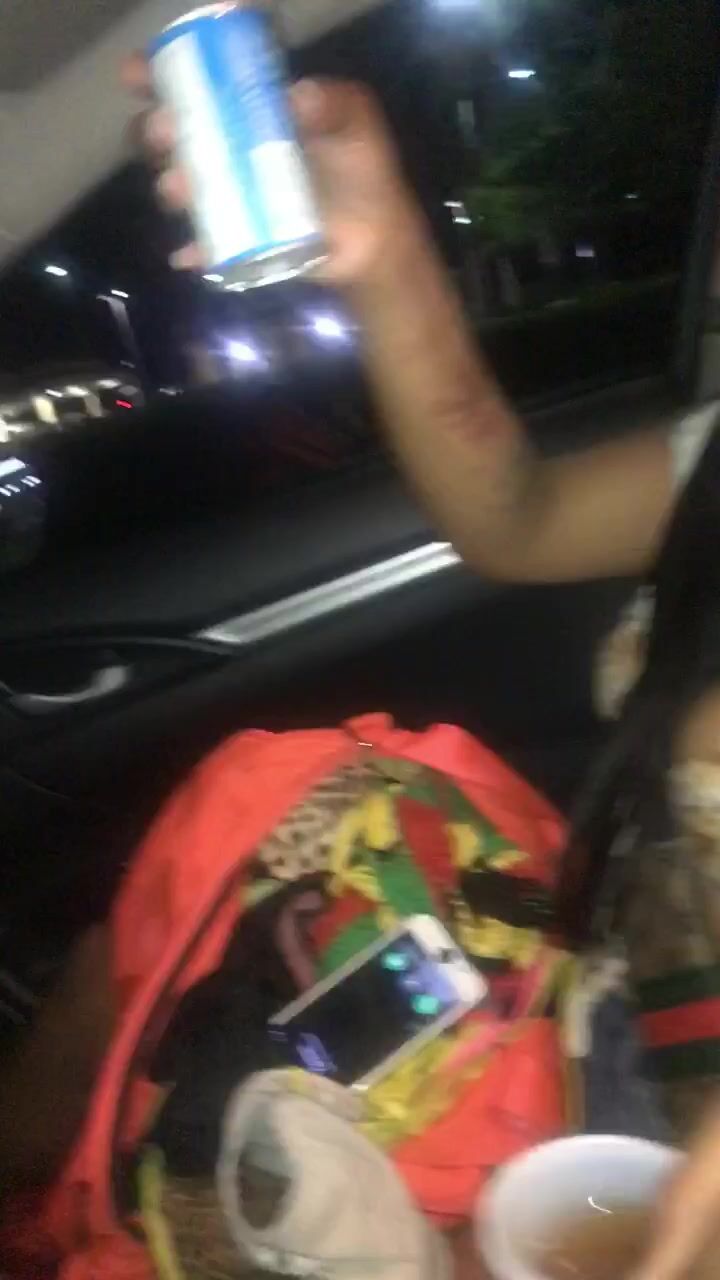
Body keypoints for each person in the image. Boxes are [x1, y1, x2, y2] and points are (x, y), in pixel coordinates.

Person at [123, 65, 720, 1279]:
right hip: (617, 1029)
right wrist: (387, 258)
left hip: (674, 1141)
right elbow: (518, 514)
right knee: (187, 905)